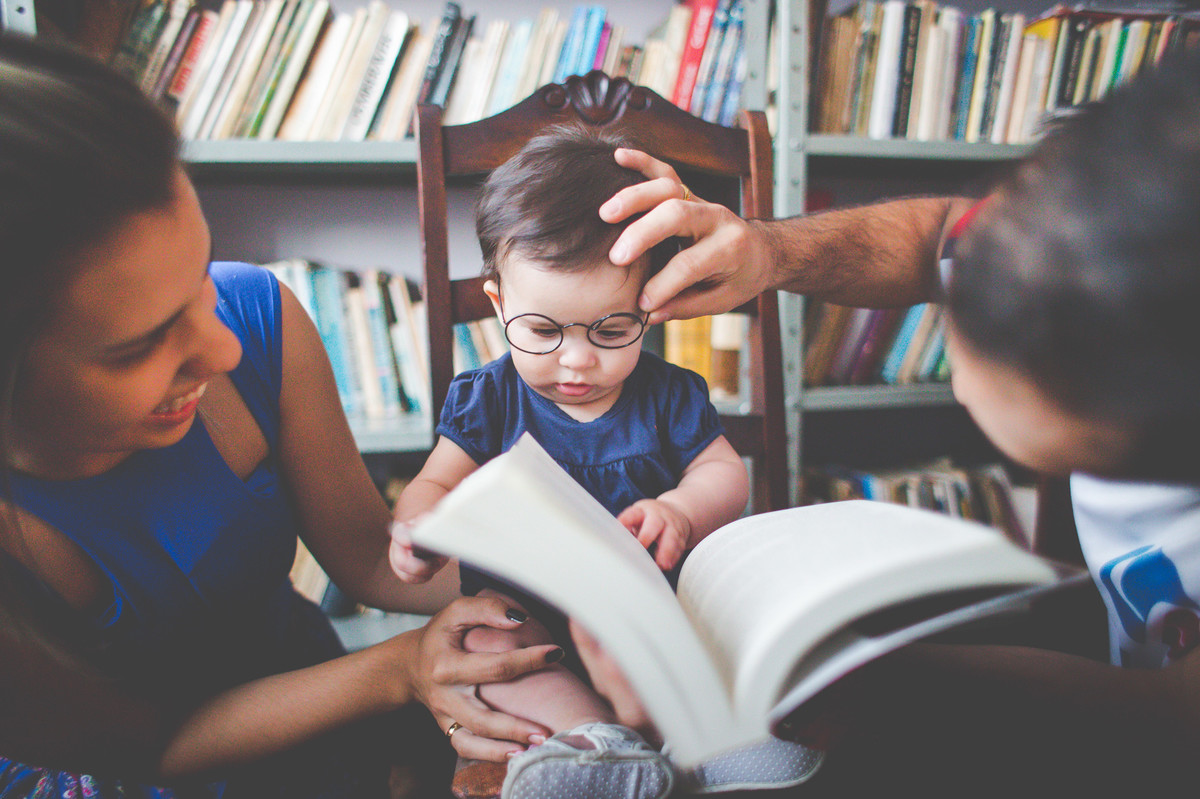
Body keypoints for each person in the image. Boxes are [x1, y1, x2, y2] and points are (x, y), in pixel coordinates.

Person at [579, 49, 1200, 793]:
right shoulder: (1095, 216)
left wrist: (842, 675)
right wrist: (768, 250)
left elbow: (1177, 718)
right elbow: (943, 230)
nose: (960, 381)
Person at [0, 31, 562, 797]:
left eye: (198, 277)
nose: (223, 349)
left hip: (336, 737)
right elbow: (154, 744)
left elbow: (370, 557)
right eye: (141, 345)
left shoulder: (260, 316)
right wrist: (399, 666)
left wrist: (569, 575)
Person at [389, 125, 821, 798]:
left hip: (653, 626)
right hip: (529, 627)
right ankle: (599, 743)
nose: (577, 359)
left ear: (653, 304)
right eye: (542, 330)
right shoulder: (489, 398)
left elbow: (725, 475)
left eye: (612, 330)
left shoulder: (669, 394)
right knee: (478, 648)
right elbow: (435, 483)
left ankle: (702, 737)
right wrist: (418, 530)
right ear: (499, 300)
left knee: (730, 633)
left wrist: (680, 508)